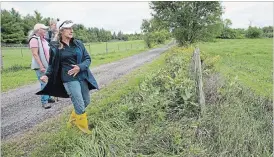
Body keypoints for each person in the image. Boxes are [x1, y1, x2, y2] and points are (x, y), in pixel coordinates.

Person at [37, 20, 99, 134]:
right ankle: (83, 130)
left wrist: (80, 67)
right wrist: (46, 75)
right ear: (61, 31)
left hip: (82, 76)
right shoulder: (56, 47)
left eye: (72, 28)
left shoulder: (78, 43)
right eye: (68, 28)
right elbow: (51, 64)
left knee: (86, 101)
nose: (71, 30)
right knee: (79, 103)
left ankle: (72, 121)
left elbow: (87, 59)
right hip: (69, 79)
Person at [28, 23, 56, 109]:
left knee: (49, 81)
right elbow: (35, 54)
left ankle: (48, 97)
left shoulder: (43, 39)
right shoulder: (34, 39)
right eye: (44, 29)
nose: (45, 31)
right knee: (44, 82)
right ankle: (44, 102)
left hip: (47, 64)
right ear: (39, 30)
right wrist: (41, 66)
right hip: (41, 66)